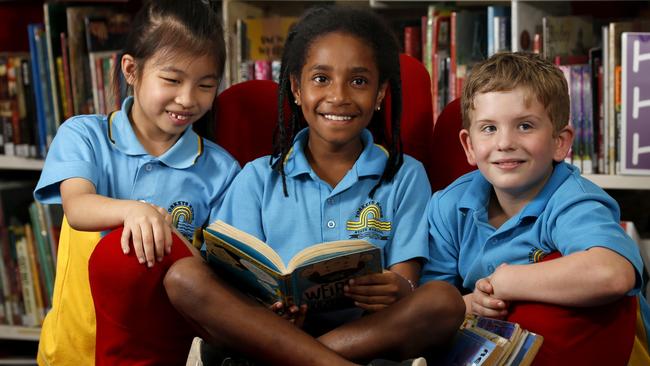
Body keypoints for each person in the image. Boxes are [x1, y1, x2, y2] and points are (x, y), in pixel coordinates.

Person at [164, 6, 465, 366]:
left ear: (381, 93)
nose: (338, 96)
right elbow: (236, 277)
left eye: (358, 81)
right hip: (273, 329)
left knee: (444, 300)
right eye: (321, 79)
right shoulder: (258, 177)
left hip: (365, 336)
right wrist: (270, 308)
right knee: (184, 276)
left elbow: (407, 279)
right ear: (295, 87)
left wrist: (398, 288)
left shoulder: (404, 175)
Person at [32, 0, 239, 364]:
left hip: (159, 353)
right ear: (131, 69)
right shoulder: (85, 136)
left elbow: (214, 276)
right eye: (172, 80)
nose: (187, 99)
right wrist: (136, 211)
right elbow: (77, 206)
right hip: (74, 349)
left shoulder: (221, 171)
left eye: (205, 85)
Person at [421, 52, 650, 364]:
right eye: (489, 128)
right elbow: (431, 297)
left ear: (560, 141)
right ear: (469, 146)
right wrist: (467, 303)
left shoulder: (573, 200)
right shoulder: (448, 204)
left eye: (525, 125)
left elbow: (612, 274)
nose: (505, 142)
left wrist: (507, 282)